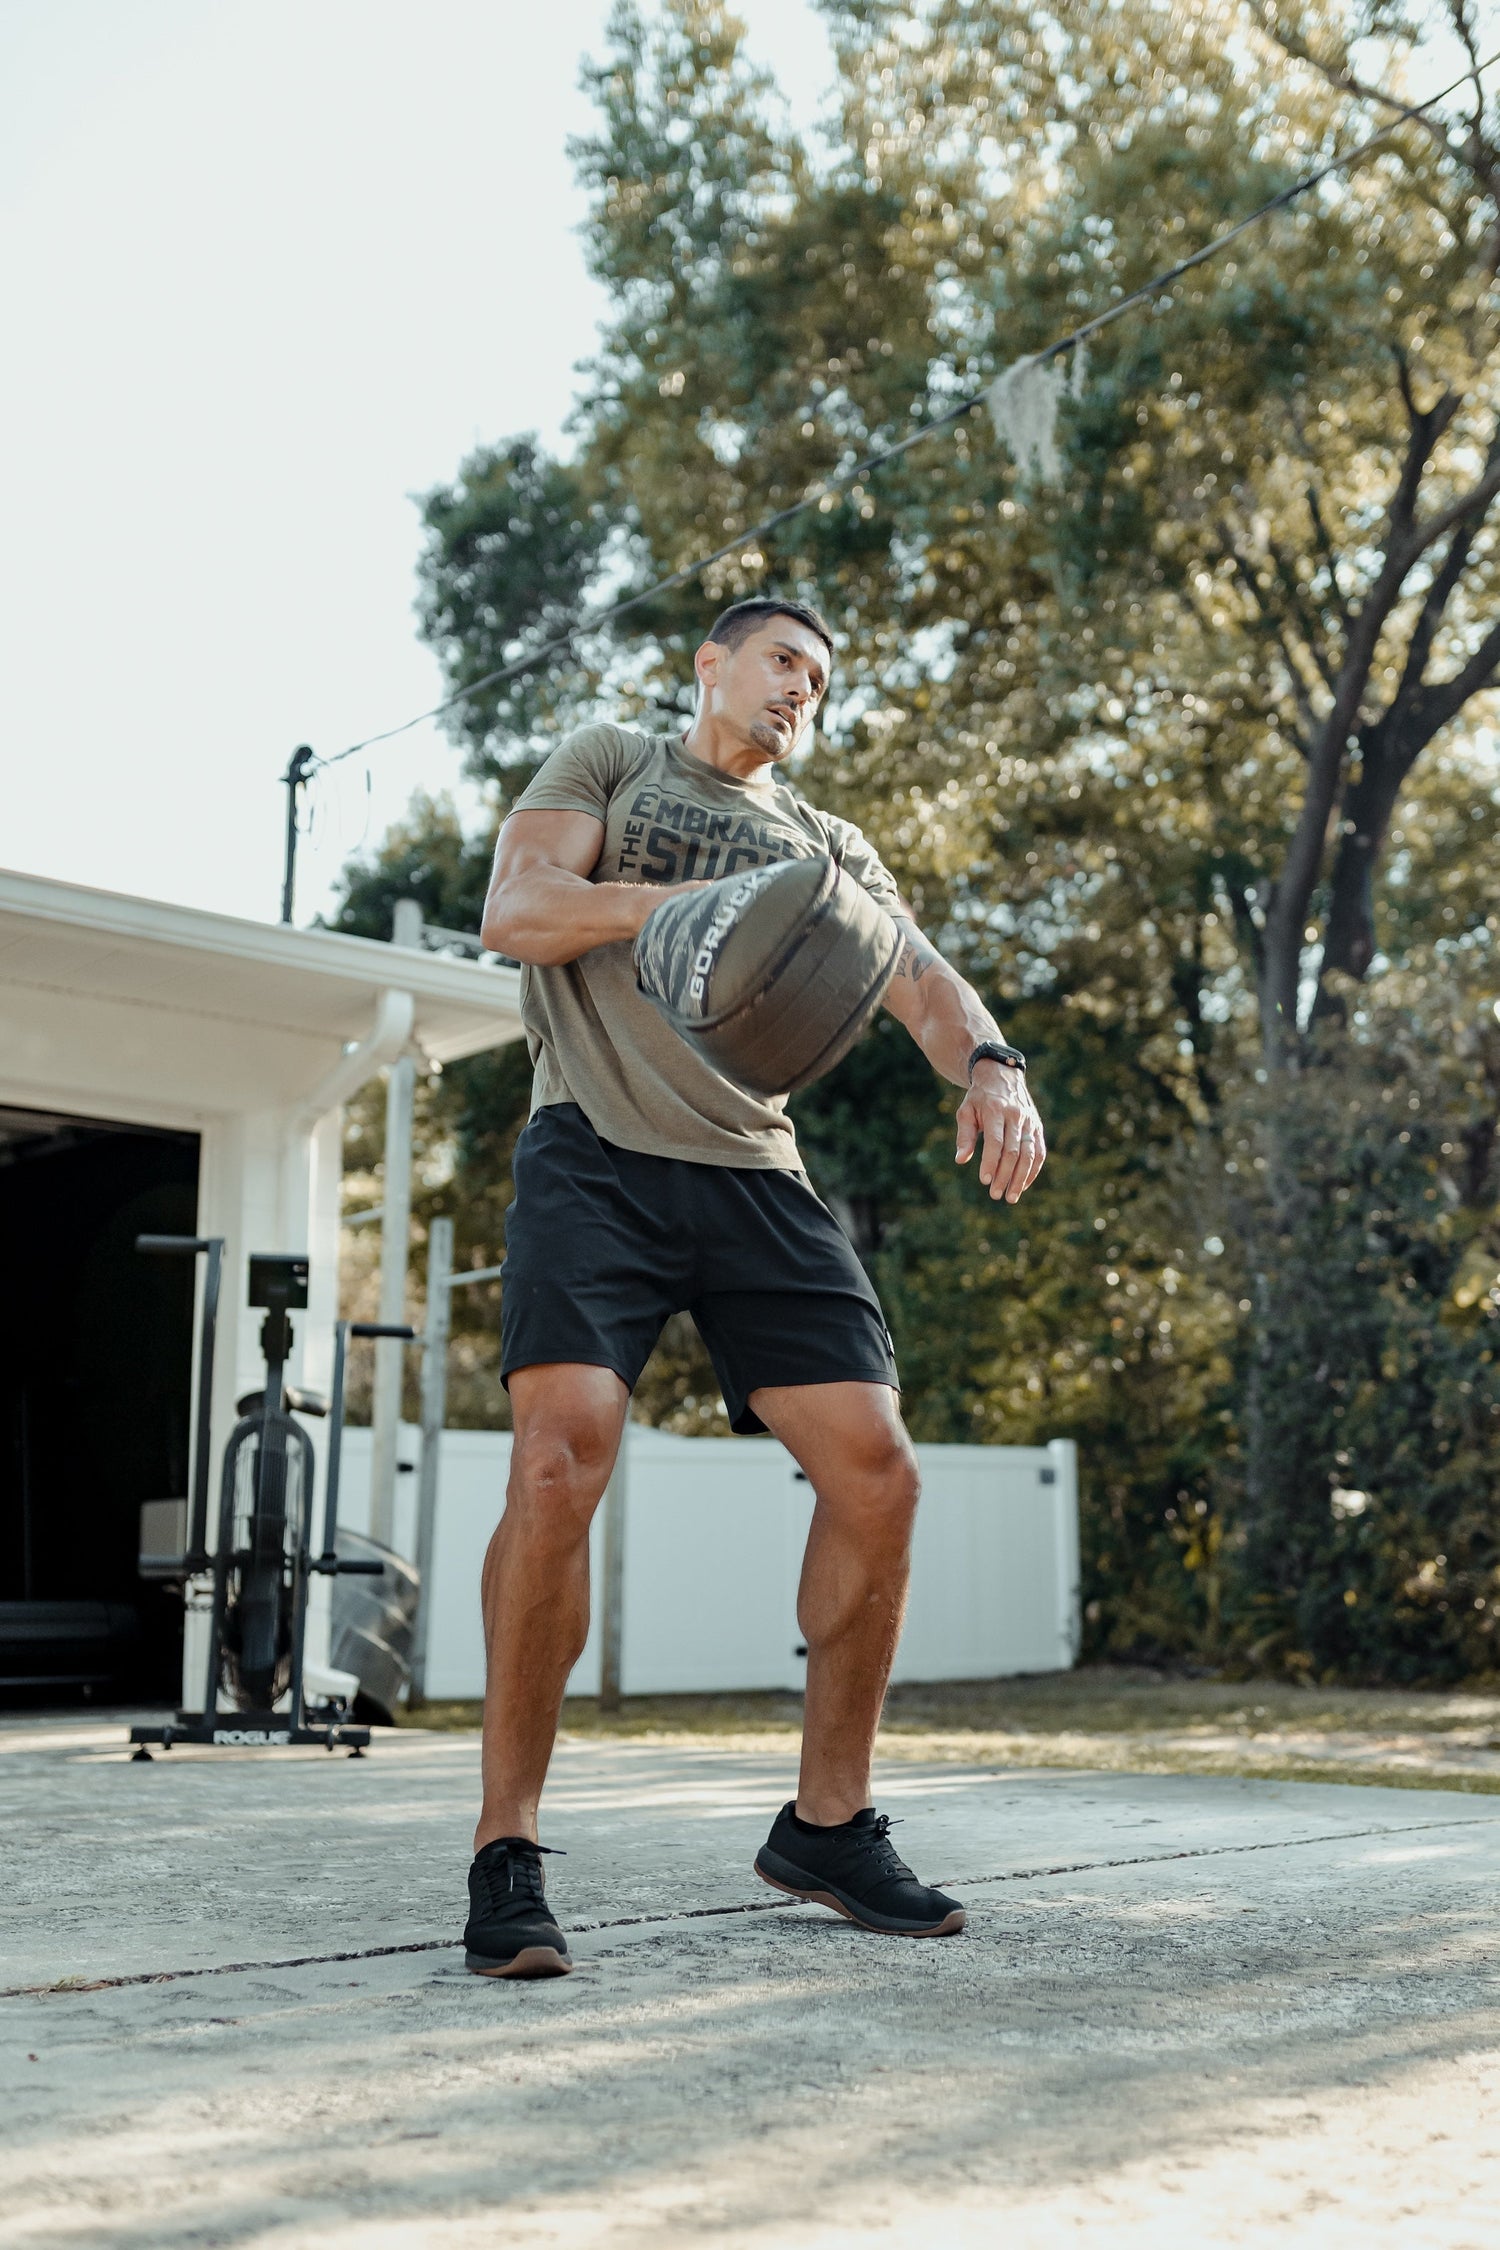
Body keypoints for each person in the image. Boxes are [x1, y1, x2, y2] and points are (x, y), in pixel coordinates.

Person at [465, 596, 1047, 1978]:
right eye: (786, 659)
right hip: (594, 1151)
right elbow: (516, 908)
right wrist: (687, 907)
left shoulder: (830, 851)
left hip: (752, 1177)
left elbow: (920, 982)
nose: (804, 689)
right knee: (559, 1460)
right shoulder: (612, 761)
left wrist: (993, 1063)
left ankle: (828, 1826)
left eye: (824, 681)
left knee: (881, 1475)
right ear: (712, 663)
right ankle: (507, 1846)